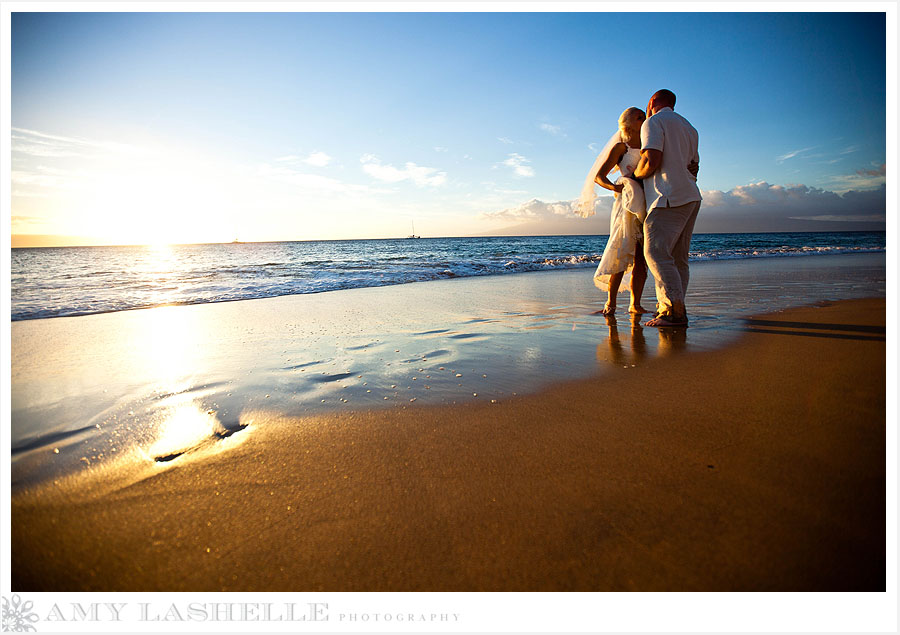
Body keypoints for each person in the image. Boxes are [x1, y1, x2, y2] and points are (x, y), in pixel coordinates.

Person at [633, 89, 701, 328]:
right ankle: (676, 308)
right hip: (691, 196)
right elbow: (695, 166)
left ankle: (672, 311)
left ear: (652, 102)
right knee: (679, 258)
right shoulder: (690, 127)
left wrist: (636, 176)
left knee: (656, 253)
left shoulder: (654, 122)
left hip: (667, 197)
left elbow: (651, 159)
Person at [577, 107, 649, 316]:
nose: (643, 119)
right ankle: (611, 303)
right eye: (639, 117)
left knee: (642, 258)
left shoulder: (648, 145)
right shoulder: (621, 147)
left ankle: (635, 304)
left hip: (645, 203)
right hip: (626, 205)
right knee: (622, 250)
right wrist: (614, 187)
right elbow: (599, 177)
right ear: (628, 122)